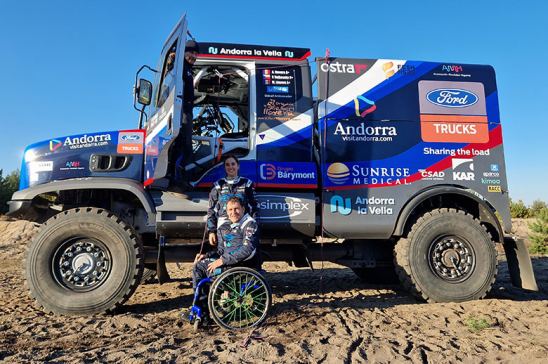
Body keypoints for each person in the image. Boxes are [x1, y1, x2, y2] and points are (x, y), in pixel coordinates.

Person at [192, 196, 261, 289]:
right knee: (199, 265)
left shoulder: (250, 223)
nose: (233, 212)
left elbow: (247, 249)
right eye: (230, 210)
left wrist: (222, 261)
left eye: (236, 209)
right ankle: (202, 301)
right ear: (227, 211)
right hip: (228, 262)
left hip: (242, 264)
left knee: (207, 269)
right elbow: (221, 250)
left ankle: (208, 300)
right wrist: (207, 255)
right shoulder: (225, 227)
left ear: (243, 209)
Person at [206, 155, 258, 246]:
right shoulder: (218, 185)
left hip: (243, 223)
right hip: (224, 225)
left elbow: (254, 208)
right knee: (225, 254)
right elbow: (211, 210)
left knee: (243, 253)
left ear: (238, 166)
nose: (230, 167)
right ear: (225, 167)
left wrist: (254, 227)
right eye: (227, 165)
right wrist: (211, 231)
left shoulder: (247, 184)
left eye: (233, 164)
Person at [173, 39, 199, 187]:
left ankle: (181, 178)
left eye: (196, 54)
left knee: (187, 146)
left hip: (187, 111)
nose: (193, 56)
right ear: (183, 52)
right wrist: (172, 58)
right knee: (182, 145)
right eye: (191, 52)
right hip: (182, 111)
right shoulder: (181, 67)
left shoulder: (189, 69)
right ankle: (177, 180)